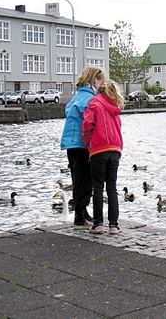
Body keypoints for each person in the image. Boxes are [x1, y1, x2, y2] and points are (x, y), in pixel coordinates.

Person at [60, 66, 105, 229]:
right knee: (85, 181)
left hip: (70, 143)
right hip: (82, 143)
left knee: (77, 178)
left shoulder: (78, 96)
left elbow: (68, 111)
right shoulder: (90, 99)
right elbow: (92, 121)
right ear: (95, 80)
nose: (102, 84)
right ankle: (79, 217)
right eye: (101, 80)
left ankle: (83, 212)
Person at [82, 80, 124, 235]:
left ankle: (98, 224)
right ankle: (114, 225)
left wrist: (87, 142)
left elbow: (88, 124)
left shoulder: (95, 103)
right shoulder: (115, 106)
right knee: (112, 187)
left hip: (99, 149)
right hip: (115, 148)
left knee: (98, 187)